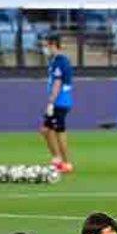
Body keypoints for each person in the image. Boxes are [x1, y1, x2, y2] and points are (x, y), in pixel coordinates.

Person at [40, 34, 75, 173]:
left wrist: (51, 102)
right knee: (45, 130)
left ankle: (66, 163)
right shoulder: (56, 61)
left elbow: (57, 83)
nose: (45, 48)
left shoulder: (60, 62)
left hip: (60, 102)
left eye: (46, 45)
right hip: (58, 101)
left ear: (53, 44)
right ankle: (57, 158)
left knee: (59, 130)